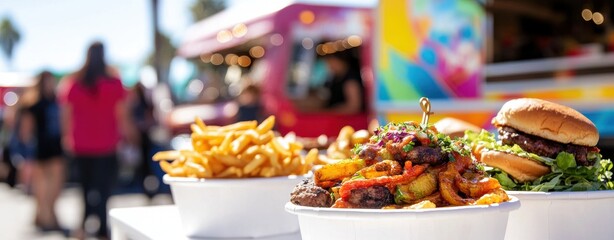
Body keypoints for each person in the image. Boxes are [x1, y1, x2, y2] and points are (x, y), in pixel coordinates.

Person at [58, 42, 131, 239]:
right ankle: (102, 229)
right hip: (107, 143)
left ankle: (82, 227)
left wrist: (66, 138)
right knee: (104, 188)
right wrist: (126, 136)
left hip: (81, 144)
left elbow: (66, 115)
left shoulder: (74, 82)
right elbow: (121, 114)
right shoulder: (114, 82)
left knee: (85, 188)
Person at [29, 71, 65, 233]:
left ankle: (47, 215)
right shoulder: (34, 104)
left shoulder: (57, 101)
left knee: (55, 186)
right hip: (40, 148)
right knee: (43, 186)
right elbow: (26, 130)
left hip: (56, 147)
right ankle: (45, 216)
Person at [320, 49, 366, 114]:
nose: (329, 66)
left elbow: (354, 106)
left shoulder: (351, 79)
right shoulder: (335, 77)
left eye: (330, 62)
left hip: (347, 120)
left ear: (338, 60)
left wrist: (329, 112)